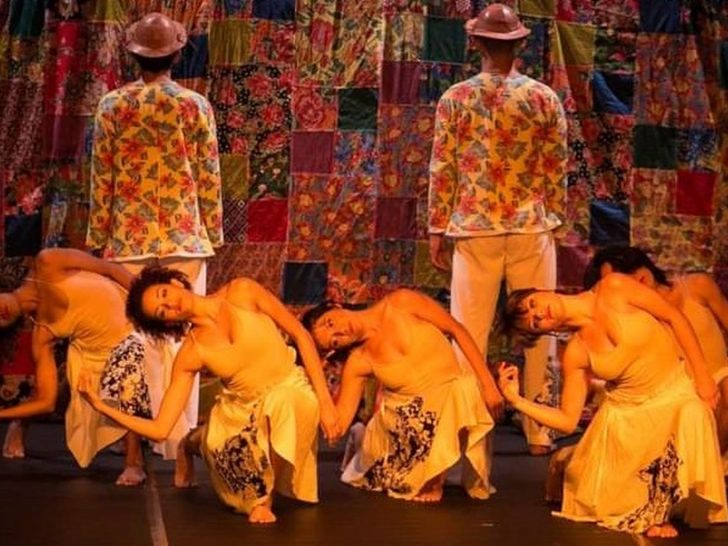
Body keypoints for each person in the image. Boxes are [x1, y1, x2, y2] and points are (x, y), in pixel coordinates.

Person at [79, 266, 341, 524]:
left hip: (291, 387)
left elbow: (300, 334)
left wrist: (327, 403)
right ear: (168, 323)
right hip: (241, 413)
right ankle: (193, 443)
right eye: (162, 312)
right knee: (238, 488)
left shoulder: (242, 291)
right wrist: (101, 405)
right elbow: (160, 429)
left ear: (175, 282)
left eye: (163, 294)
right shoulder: (192, 352)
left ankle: (264, 501)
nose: (170, 306)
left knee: (286, 403)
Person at [428, 3, 567, 455]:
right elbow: (555, 168)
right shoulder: (544, 97)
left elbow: (443, 167)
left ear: (476, 43)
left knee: (469, 329)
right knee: (536, 329)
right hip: (529, 226)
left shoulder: (456, 98)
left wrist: (436, 226)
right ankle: (540, 431)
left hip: (476, 227)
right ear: (521, 44)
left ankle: (468, 427)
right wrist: (556, 219)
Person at [86, 11, 225, 457]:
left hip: (129, 238)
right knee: (184, 336)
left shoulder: (112, 105)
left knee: (135, 338)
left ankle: (136, 435)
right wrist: (214, 231)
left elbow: (102, 176)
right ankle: (177, 438)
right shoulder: (194, 105)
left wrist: (98, 235)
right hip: (185, 236)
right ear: (176, 54)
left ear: (133, 56)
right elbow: (208, 173)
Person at [498, 273, 727, 536]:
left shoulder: (613, 287)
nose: (539, 313)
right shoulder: (576, 352)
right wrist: (516, 401)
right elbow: (567, 420)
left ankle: (575, 462)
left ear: (541, 290)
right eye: (535, 323)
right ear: (545, 331)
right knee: (623, 500)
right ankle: (574, 462)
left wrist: (702, 375)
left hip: (674, 394)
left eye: (533, 304)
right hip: (628, 420)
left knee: (693, 414)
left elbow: (673, 316)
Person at [302, 289, 504, 502]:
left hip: (449, 405)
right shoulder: (359, 361)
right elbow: (337, 425)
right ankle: (364, 438)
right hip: (405, 427)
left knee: (463, 388)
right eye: (335, 341)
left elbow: (457, 329)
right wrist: (316, 382)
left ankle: (435, 477)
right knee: (388, 476)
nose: (341, 331)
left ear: (336, 306)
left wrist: (489, 385)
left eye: (330, 322)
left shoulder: (401, 303)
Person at [0, 248, 151, 484]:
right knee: (94, 378)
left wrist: (147, 301)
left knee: (110, 367)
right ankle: (133, 462)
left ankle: (21, 423)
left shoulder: (48, 261)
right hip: (98, 353)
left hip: (137, 322)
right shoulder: (42, 334)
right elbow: (46, 401)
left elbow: (110, 269)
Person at [584, 245, 728, 458]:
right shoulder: (635, 319)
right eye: (620, 280)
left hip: (718, 377)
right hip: (679, 391)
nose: (633, 277)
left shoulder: (697, 286)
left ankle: (714, 466)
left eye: (628, 268)